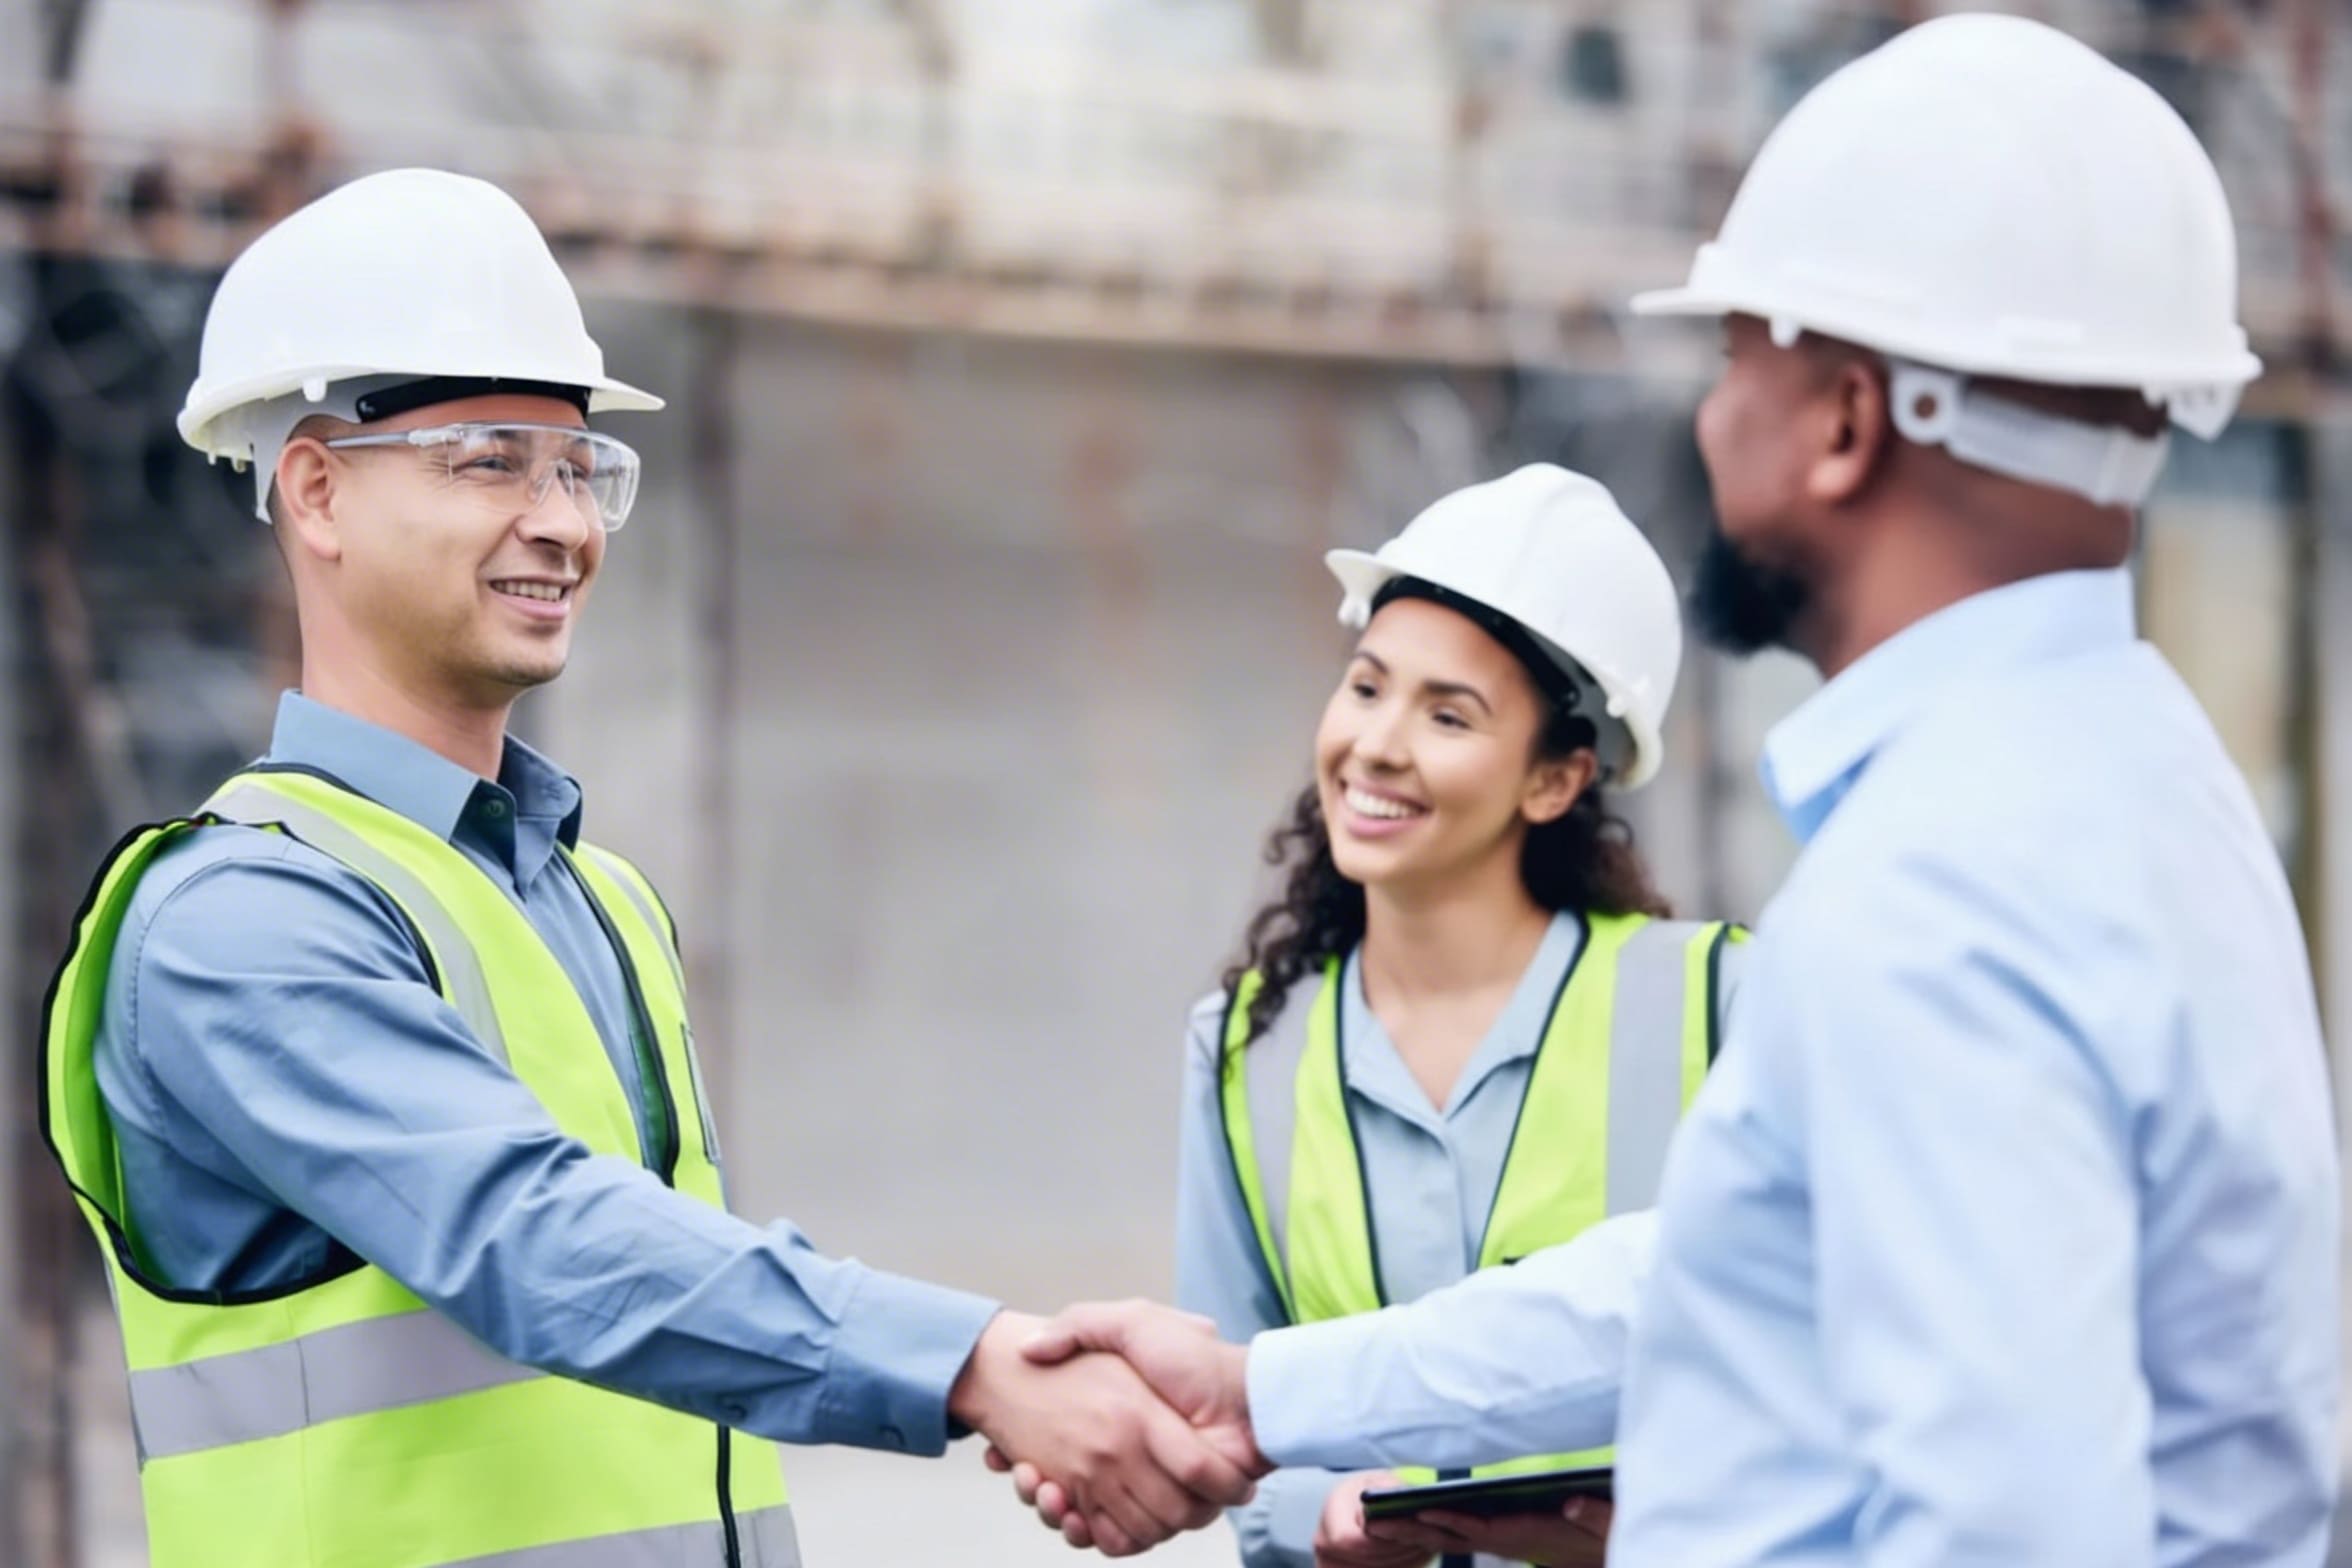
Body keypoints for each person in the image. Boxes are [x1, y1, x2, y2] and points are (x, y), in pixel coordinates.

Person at [1000, 15, 2340, 1566]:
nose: (1710, 418)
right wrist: (1262, 1387)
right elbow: (1700, 1279)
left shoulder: (1952, 882)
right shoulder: (2130, 777)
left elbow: (2008, 1527)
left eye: (1733, 358)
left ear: (1845, 422)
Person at [38, 167, 1256, 1568]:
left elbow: (660, 1318)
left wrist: (1019, 1366)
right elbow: (538, 1239)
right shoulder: (234, 922)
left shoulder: (598, 897)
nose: (564, 522)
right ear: (315, 490)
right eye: (492, 459)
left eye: (581, 467)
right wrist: (981, 1365)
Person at [1174, 465, 1742, 1568]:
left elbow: (1802, 1365)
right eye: (1367, 685)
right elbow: (1232, 1424)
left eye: (1448, 713)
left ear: (1556, 778)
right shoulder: (1243, 1044)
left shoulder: (1720, 1004)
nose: (1379, 743)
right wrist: (1321, 1523)